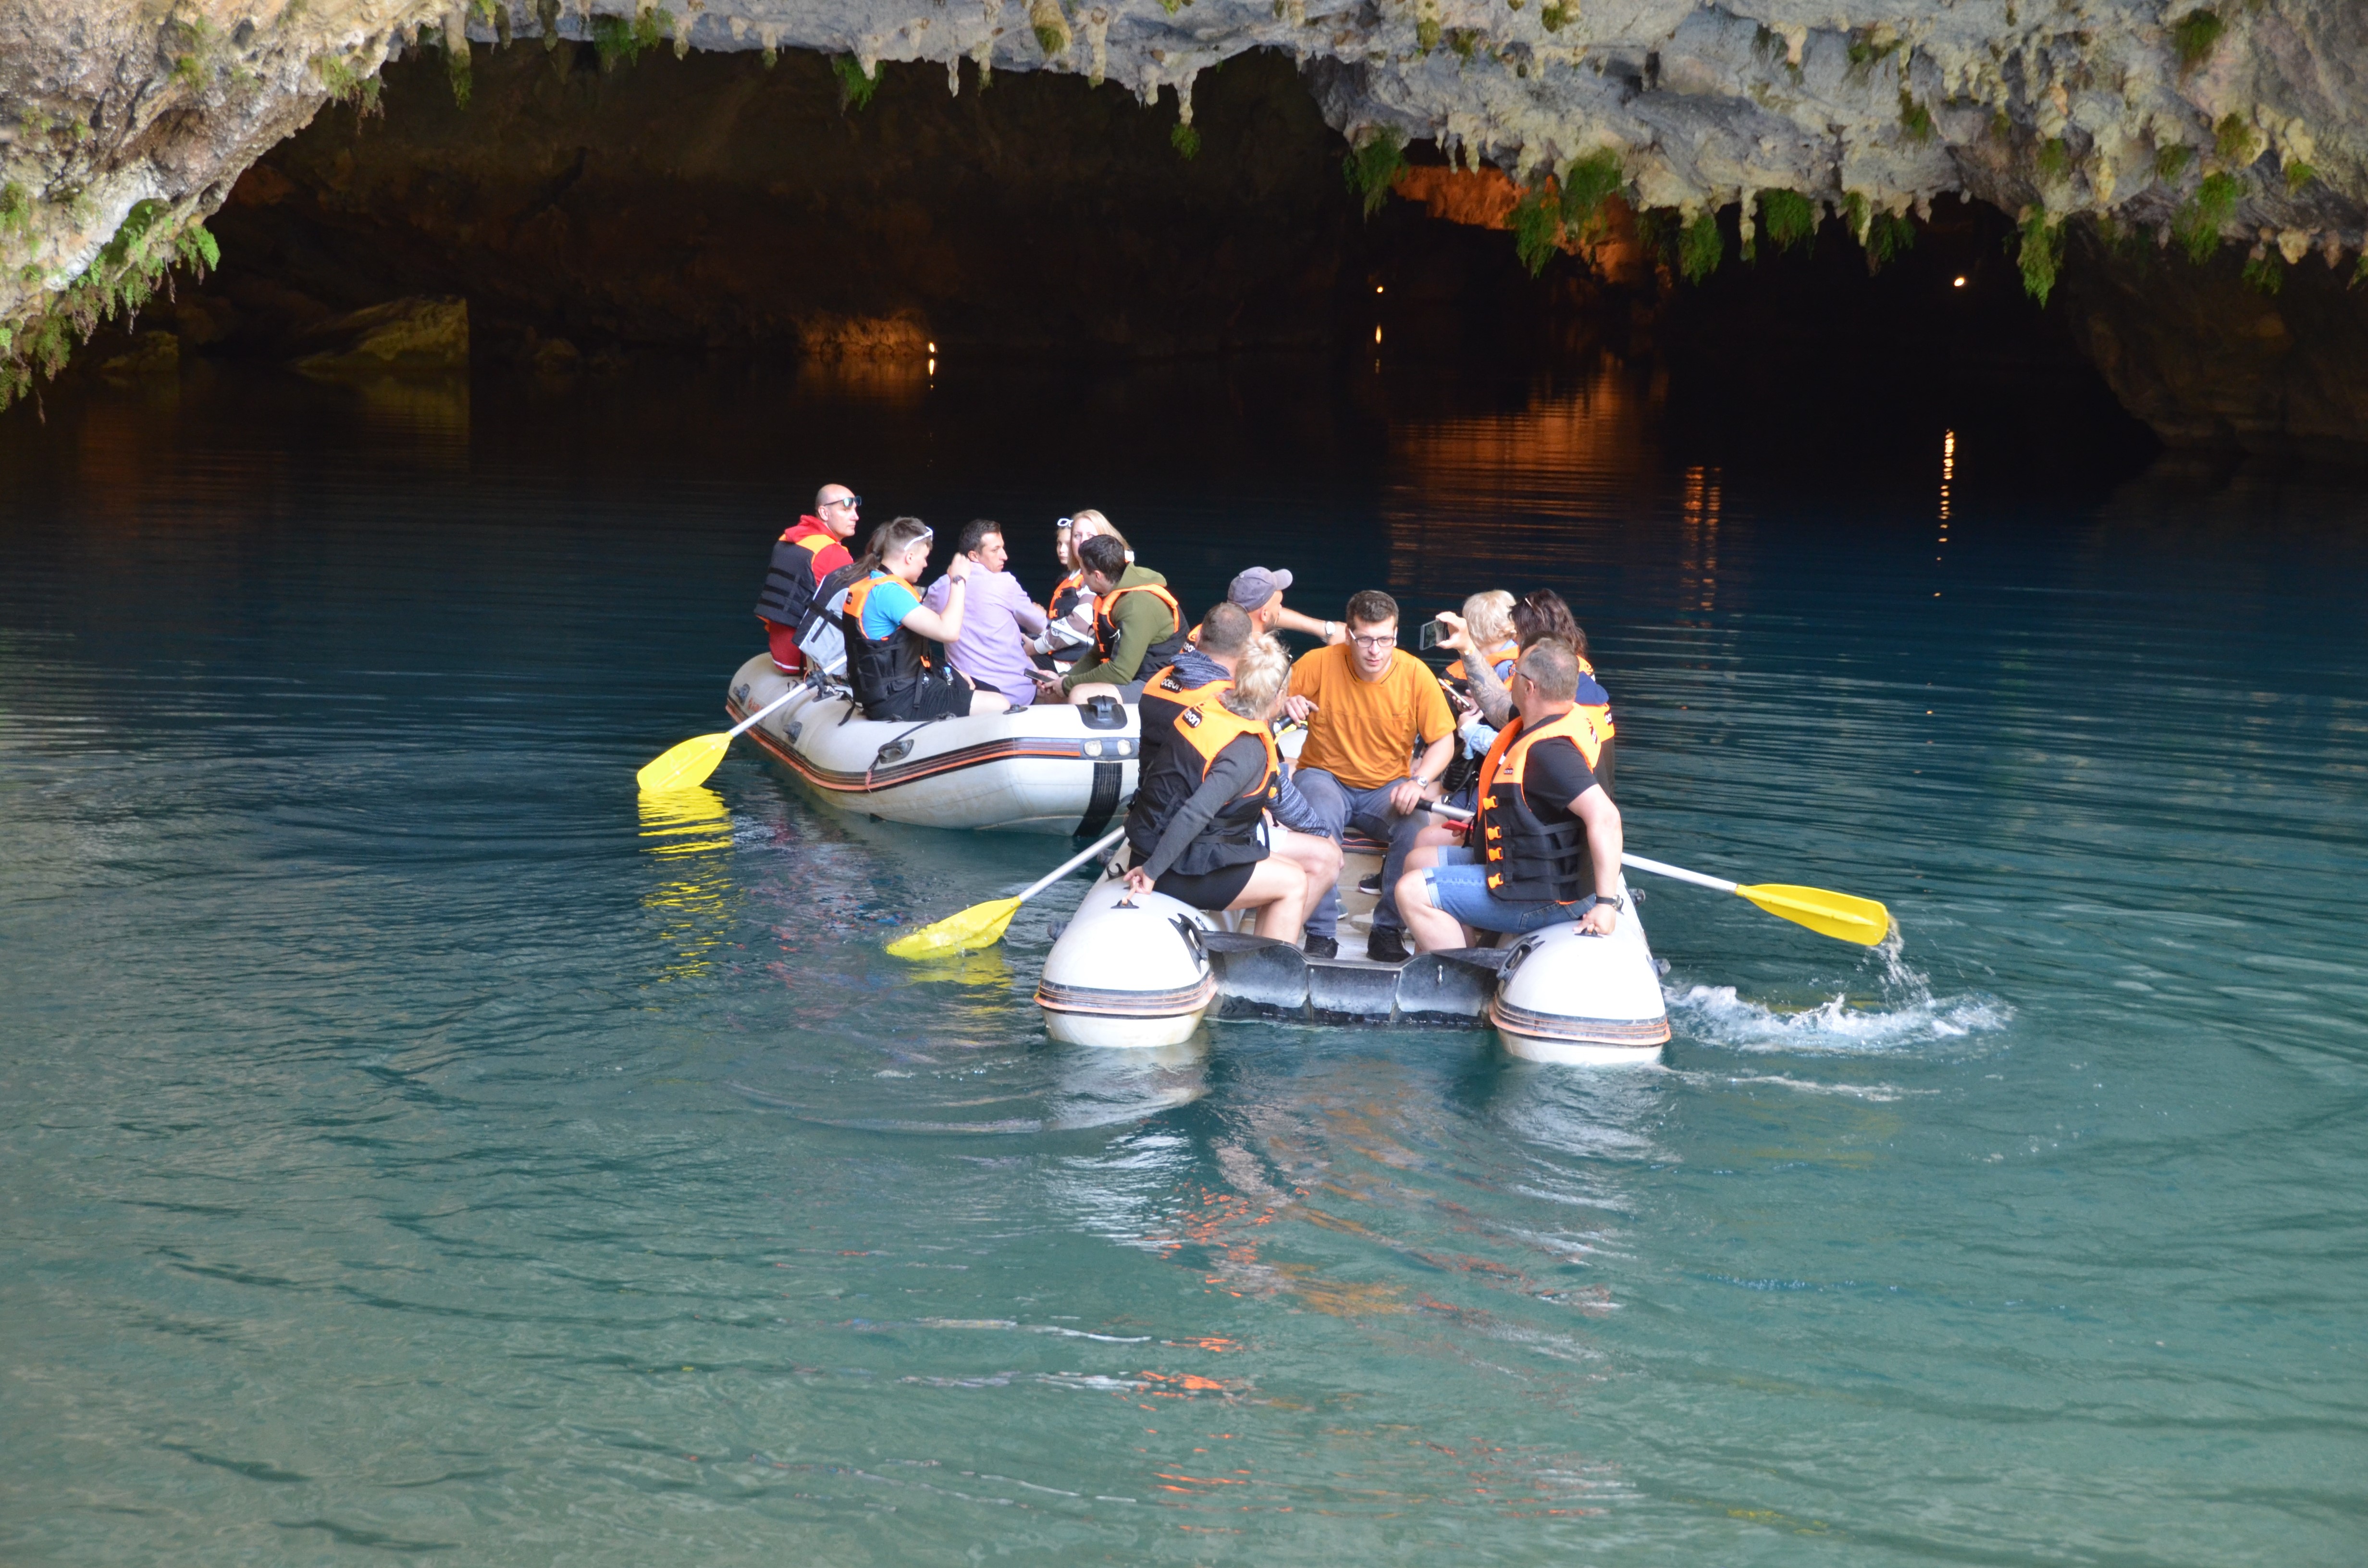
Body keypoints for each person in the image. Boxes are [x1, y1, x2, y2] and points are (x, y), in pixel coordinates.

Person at [1397, 637, 1625, 954]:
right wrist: (1467, 647)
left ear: (1529, 687)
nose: (1509, 678)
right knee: (1417, 860)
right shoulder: (1554, 714)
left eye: (1514, 672)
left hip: (1546, 896)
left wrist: (1606, 904)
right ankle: (1460, 949)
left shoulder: (1551, 753)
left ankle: (1459, 982)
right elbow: (1493, 701)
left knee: (1411, 891)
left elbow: (1606, 817)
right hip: (1522, 870)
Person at [1122, 635, 1343, 946]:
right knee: (1293, 882)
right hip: (1173, 865)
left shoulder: (1210, 707)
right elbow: (1195, 813)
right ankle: (1268, 979)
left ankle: (1262, 957)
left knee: (1302, 865)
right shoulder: (1246, 750)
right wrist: (1152, 873)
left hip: (1168, 846)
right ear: (1279, 696)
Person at [1283, 589, 1457, 963]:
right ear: (1349, 635)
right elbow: (1263, 706)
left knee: (1416, 824)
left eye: (1385, 639)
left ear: (1396, 635)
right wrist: (1285, 702)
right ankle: (1321, 933)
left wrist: (1420, 781)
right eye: (1365, 639)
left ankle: (1388, 931)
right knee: (1317, 809)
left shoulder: (1414, 674)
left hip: (1389, 786)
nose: (1375, 650)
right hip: (1324, 774)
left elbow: (1444, 742)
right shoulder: (1318, 662)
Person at [1140, 601, 1331, 839]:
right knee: (1324, 853)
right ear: (1246, 652)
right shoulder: (1231, 705)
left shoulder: (1157, 681)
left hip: (1151, 807)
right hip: (1207, 830)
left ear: (1197, 639)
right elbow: (1276, 790)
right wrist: (1321, 832)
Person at [1436, 587, 1616, 793]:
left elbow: (1601, 813)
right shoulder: (1571, 684)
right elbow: (1498, 706)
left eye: (1519, 640)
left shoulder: (1553, 738)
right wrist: (1467, 647)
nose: (1516, 648)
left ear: (1531, 686)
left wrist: (1471, 731)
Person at [838, 517, 1012, 721]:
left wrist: (952, 671)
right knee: (1000, 704)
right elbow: (949, 632)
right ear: (910, 557)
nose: (927, 564)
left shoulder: (874, 584)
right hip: (898, 699)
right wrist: (958, 579)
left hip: (900, 688)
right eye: (924, 557)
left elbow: (906, 653)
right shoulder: (889, 593)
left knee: (986, 688)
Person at [1039, 532, 1184, 703]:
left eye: (1083, 572)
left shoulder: (1135, 606)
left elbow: (1120, 673)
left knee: (1080, 695)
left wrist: (1068, 685)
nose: (1082, 579)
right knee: (1053, 692)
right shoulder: (1110, 592)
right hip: (1135, 678)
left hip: (1161, 685)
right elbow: (1097, 655)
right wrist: (1062, 679)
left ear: (1098, 576)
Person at [920, 519, 1049, 708]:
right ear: (974, 556)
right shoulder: (1005, 584)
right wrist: (1038, 612)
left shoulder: (938, 588)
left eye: (1002, 548)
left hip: (969, 697)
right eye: (995, 550)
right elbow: (1039, 625)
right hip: (1018, 695)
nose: (1005, 556)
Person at [753, 483, 860, 673]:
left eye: (855, 510)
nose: (855, 517)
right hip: (804, 660)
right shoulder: (833, 554)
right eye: (846, 510)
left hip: (781, 652)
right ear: (824, 513)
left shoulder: (787, 539)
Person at [1219, 567, 1349, 647]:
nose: (1281, 608)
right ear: (1264, 614)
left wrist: (1326, 629)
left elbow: (1264, 616)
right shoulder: (1260, 664)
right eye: (1278, 604)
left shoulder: (1208, 631)